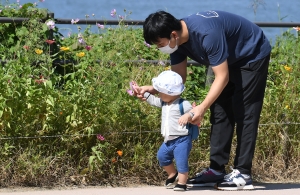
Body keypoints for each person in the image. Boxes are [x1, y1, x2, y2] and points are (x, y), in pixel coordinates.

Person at [138, 10, 272, 190]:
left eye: (160, 44)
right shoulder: (177, 43)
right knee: (219, 111)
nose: (159, 48)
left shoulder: (206, 34)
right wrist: (153, 89)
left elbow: (222, 77)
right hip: (227, 59)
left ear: (173, 35)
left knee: (246, 113)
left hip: (251, 54)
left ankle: (243, 173)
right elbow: (178, 79)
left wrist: (200, 107)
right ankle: (216, 169)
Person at [133, 70, 195, 191]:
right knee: (162, 156)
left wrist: (188, 116)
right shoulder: (164, 103)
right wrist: (142, 92)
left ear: (172, 93)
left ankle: (182, 183)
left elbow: (194, 112)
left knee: (181, 161)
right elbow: (153, 100)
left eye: (162, 93)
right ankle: (173, 174)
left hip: (182, 139)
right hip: (168, 139)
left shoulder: (183, 104)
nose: (159, 95)